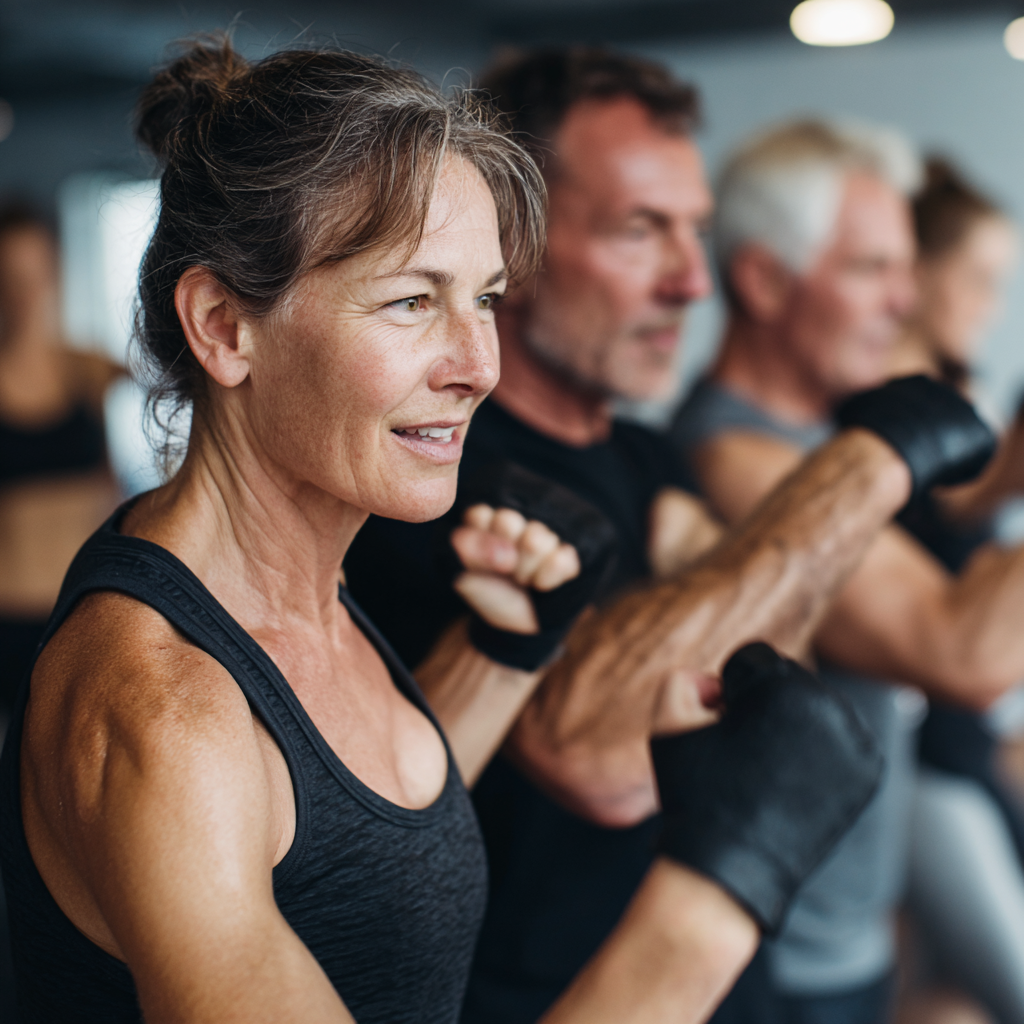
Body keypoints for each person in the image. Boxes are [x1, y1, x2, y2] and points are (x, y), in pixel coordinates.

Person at [0, 38, 914, 1024]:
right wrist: (721, 889)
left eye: (483, 299)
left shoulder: (285, 593)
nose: (478, 364)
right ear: (225, 327)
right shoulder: (166, 713)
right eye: (410, 301)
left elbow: (350, 859)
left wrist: (502, 654)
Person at [344, 49, 995, 1024]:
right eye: (640, 231)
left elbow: (763, 659)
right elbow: (603, 759)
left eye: (691, 230)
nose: (691, 282)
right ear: (508, 247)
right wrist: (870, 461)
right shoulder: (435, 480)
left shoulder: (653, 460)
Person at [671, 119, 1024, 1022]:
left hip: (849, 932)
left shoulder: (831, 442)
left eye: (906, 269)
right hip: (782, 964)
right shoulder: (738, 462)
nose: (903, 302)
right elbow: (961, 650)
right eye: (871, 269)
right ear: (763, 280)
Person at [889, 157, 1024, 1024]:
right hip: (917, 756)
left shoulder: (956, 391)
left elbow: (966, 515)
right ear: (918, 271)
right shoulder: (874, 402)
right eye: (977, 279)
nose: (989, 304)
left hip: (967, 741)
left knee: (946, 999)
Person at [0, 205, 122, 722]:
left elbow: (184, 373)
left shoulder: (88, 368)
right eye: (12, 277)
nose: (27, 292)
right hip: (11, 611)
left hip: (85, 607)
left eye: (37, 273)